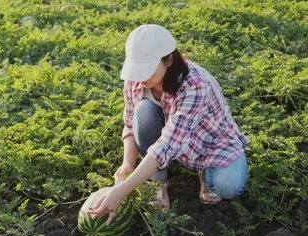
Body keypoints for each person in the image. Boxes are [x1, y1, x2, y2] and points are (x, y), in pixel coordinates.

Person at [87, 24, 248, 225]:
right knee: (142, 112)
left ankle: (204, 174)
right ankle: (159, 180)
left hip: (211, 143)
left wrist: (122, 190)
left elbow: (167, 144)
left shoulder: (195, 84)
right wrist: (128, 163)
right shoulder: (137, 78)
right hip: (172, 139)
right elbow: (130, 123)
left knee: (226, 186)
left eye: (147, 69)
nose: (140, 76)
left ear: (169, 60)